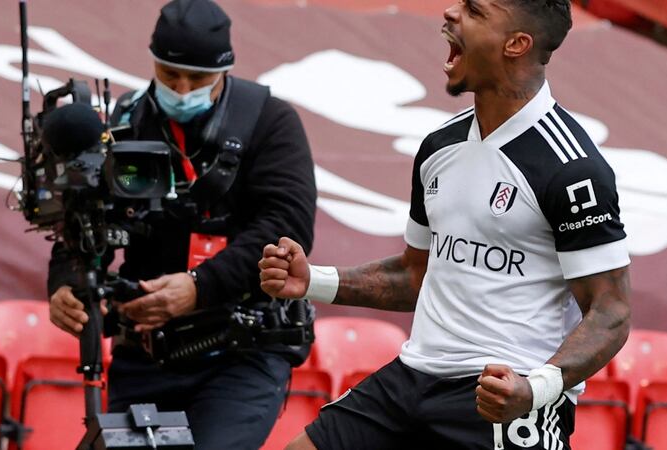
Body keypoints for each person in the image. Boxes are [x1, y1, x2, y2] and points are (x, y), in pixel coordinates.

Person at [259, 0, 631, 448]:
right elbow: (416, 273)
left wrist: (538, 388)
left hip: (503, 394)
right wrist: (313, 281)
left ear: (517, 44)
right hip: (411, 379)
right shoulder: (440, 145)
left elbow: (610, 312)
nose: (451, 12)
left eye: (475, 11)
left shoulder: (572, 167)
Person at [46, 0, 317, 448]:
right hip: (144, 353)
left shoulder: (270, 121)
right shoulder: (124, 123)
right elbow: (82, 219)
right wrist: (64, 285)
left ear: (226, 71)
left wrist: (199, 286)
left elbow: (286, 227)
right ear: (153, 61)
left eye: (199, 79)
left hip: (241, 352)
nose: (184, 88)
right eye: (171, 75)